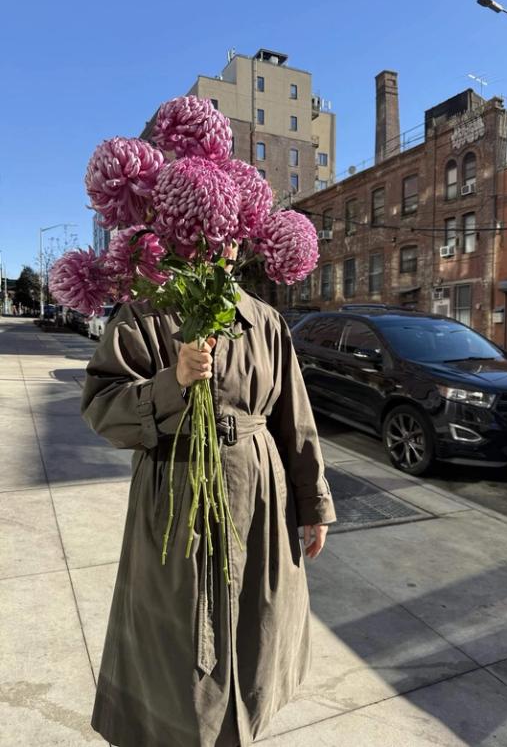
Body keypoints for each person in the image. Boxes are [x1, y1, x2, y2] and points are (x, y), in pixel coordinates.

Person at [80, 242, 336, 747]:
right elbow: (102, 409)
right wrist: (172, 381)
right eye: (204, 233)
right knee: (177, 647)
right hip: (175, 498)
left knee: (255, 634)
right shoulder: (143, 316)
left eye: (229, 235)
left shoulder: (263, 320)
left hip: (260, 497)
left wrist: (313, 503)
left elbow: (295, 419)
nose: (217, 246)